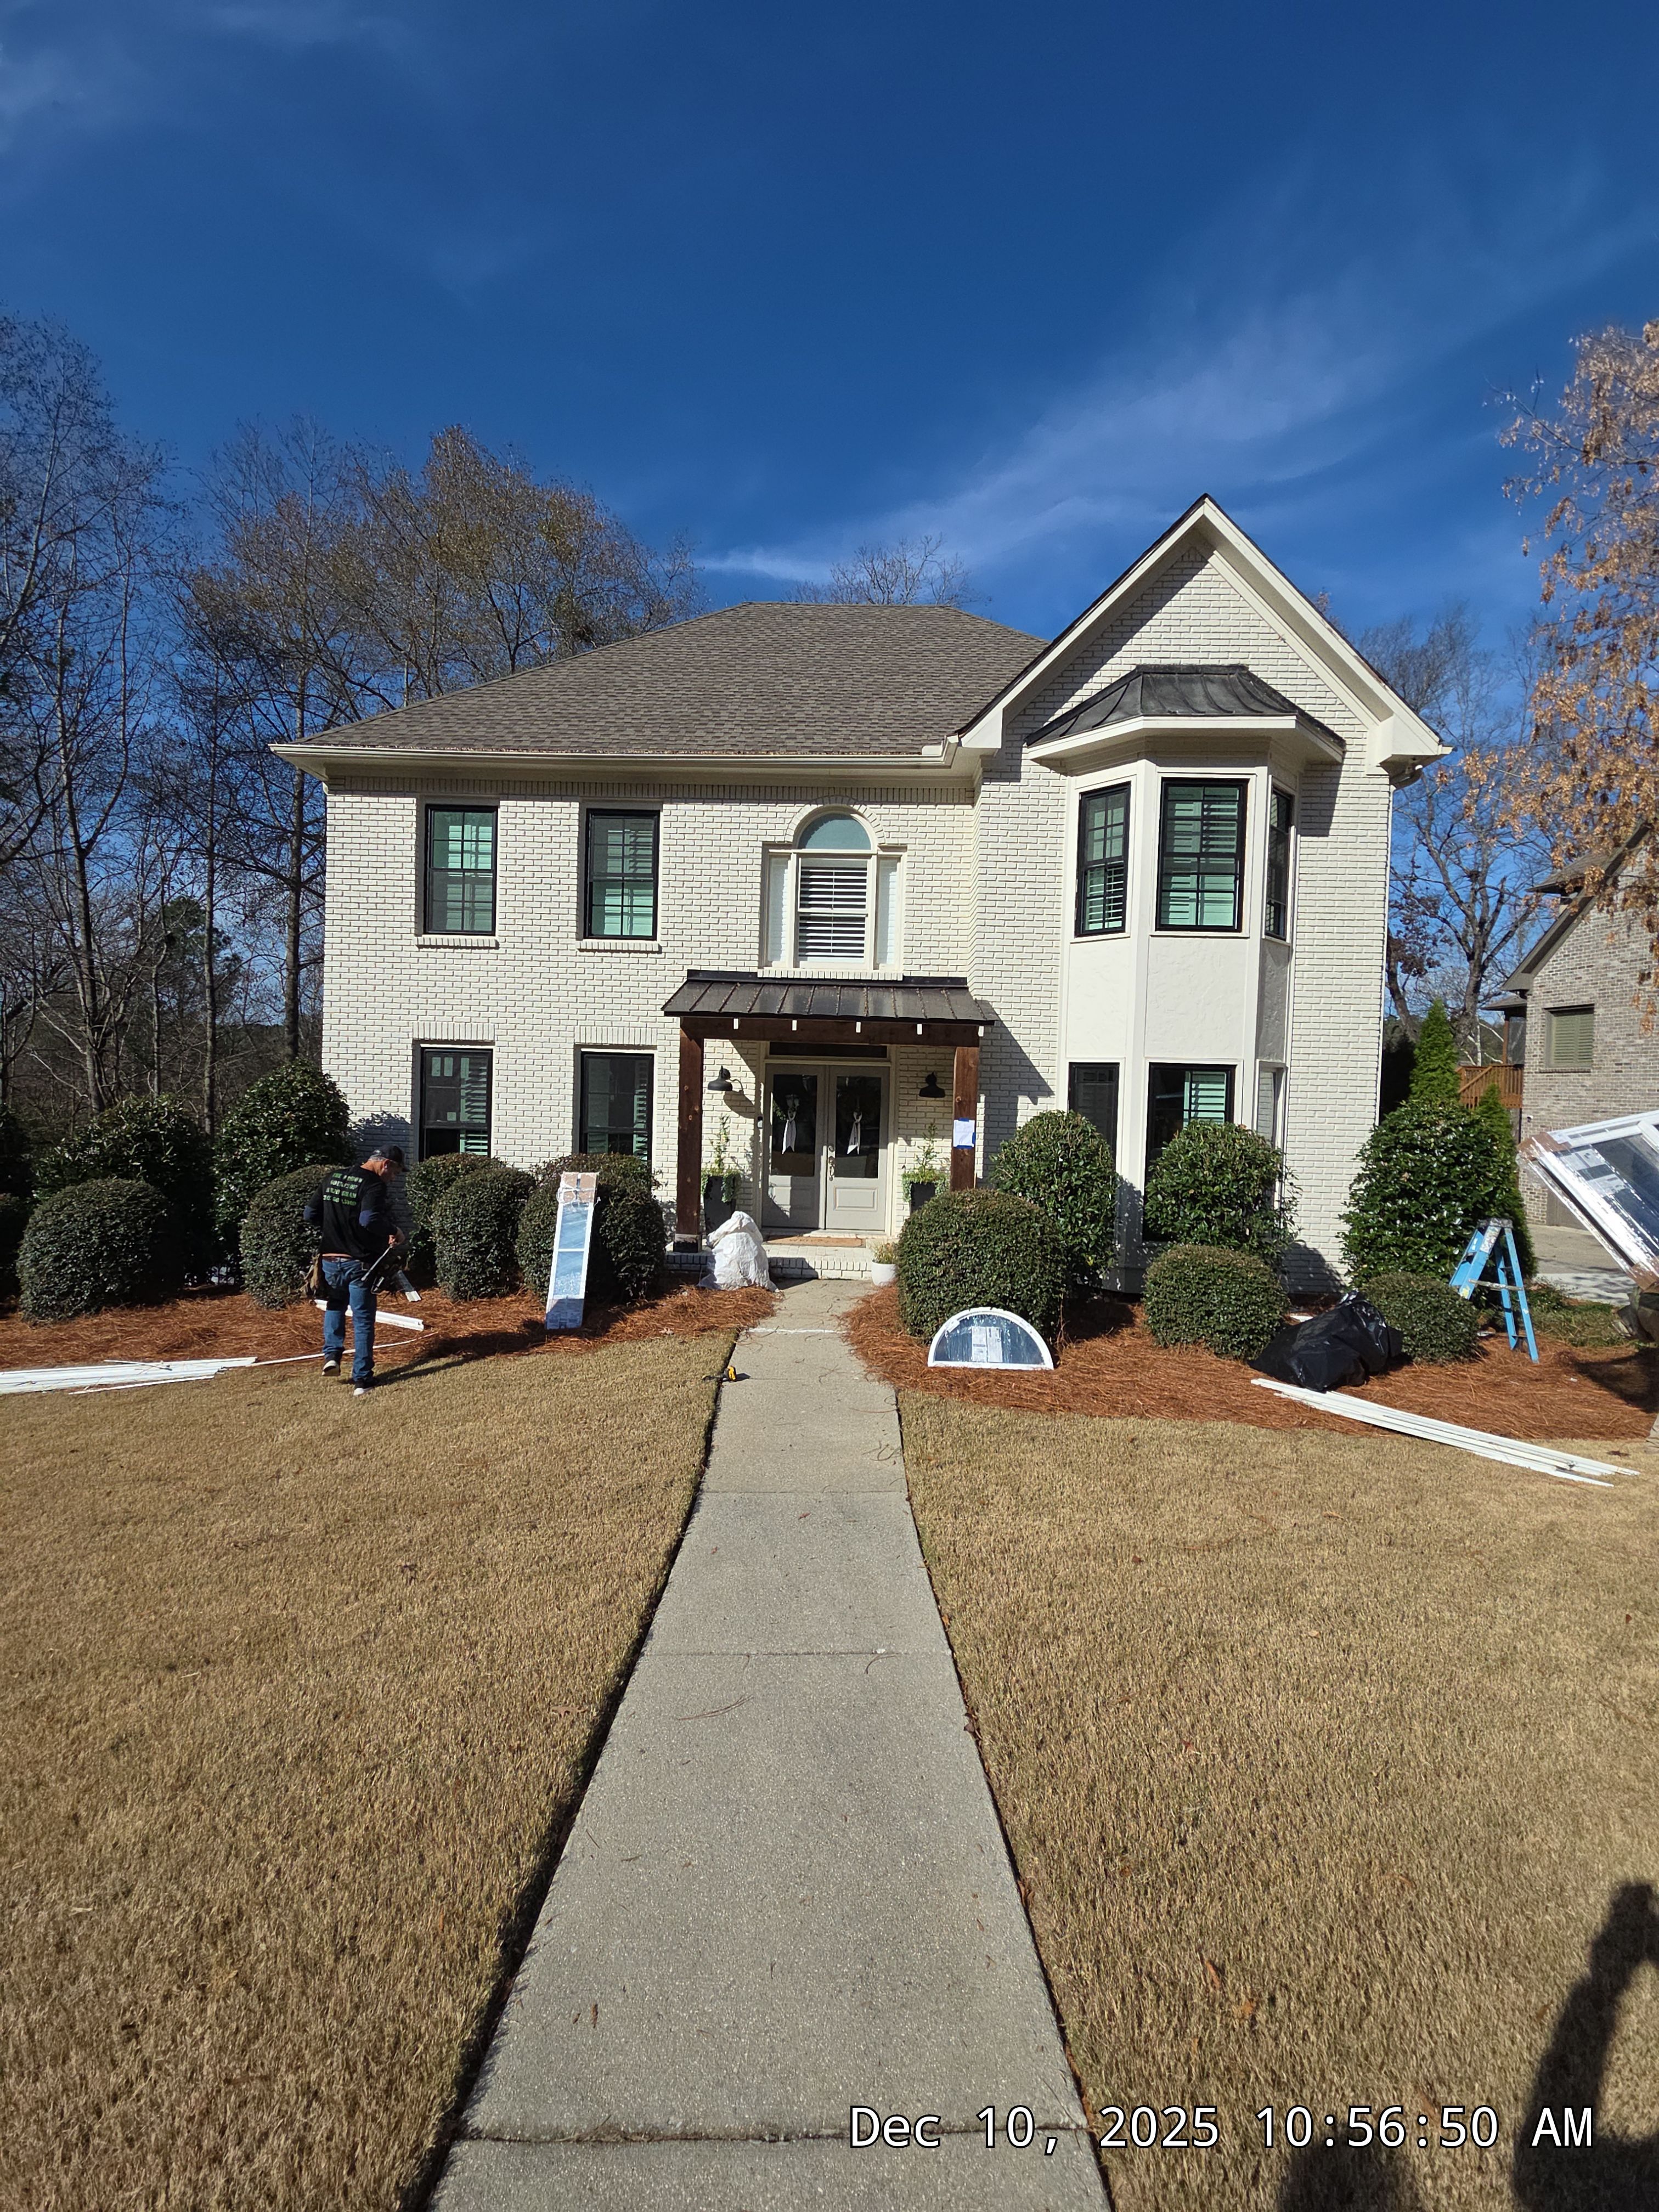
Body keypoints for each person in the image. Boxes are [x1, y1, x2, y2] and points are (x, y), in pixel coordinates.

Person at [303, 1147, 407, 1396]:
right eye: (395, 1171)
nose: (393, 1178)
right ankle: (362, 1379)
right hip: (359, 1262)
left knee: (335, 1305)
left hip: (329, 1258)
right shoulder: (373, 1185)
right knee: (363, 1319)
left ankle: (332, 1356)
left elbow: (310, 1214)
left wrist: (334, 1229)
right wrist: (393, 1230)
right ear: (385, 1165)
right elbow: (368, 1219)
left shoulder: (333, 1178)